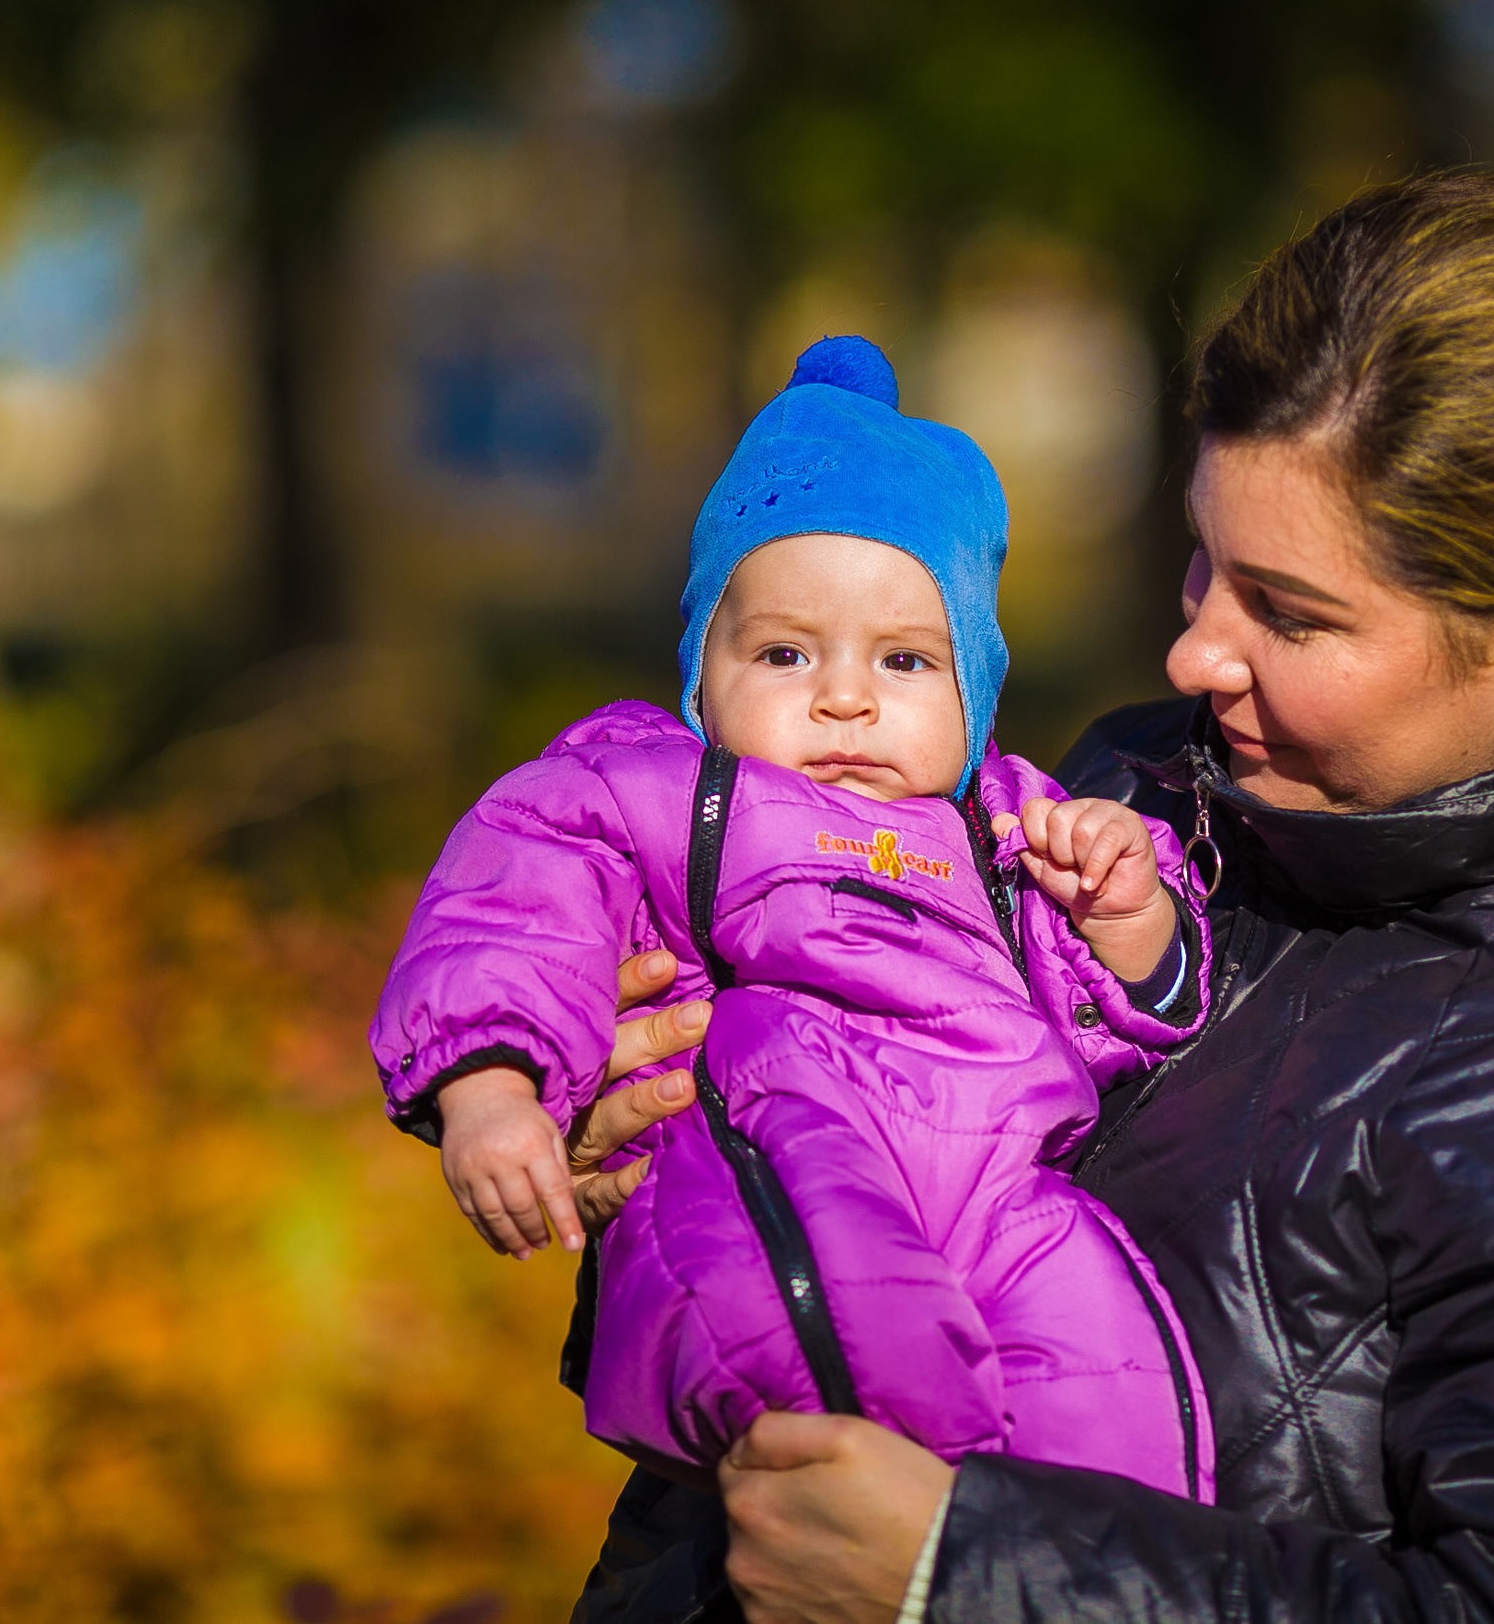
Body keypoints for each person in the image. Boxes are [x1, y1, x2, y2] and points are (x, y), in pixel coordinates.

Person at [561, 170, 1494, 1623]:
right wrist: (682, 1189)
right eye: (1204, 559)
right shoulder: (1149, 780)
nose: (1194, 650)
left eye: (1290, 609)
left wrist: (968, 1577)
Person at [370, 337, 1218, 1502]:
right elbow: (514, 908)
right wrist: (495, 1088)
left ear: (973, 692)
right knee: (827, 1332)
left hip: (1007, 1190)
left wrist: (1127, 921)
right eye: (783, 652)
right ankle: (875, 1517)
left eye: (907, 661)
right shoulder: (661, 789)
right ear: (700, 675)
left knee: (1111, 1386)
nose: (844, 697)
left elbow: (1110, 1020)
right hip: (774, 1144)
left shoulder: (1006, 825)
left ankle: (1067, 1555)